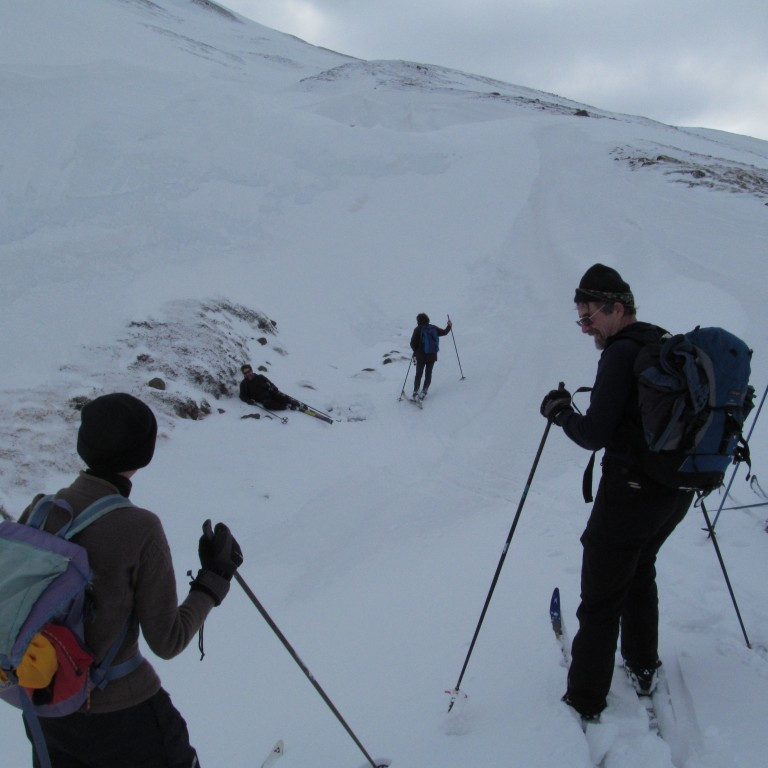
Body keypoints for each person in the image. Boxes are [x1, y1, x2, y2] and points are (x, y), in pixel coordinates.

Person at [18, 392, 243, 767]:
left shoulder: (40, 512)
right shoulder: (139, 528)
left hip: (45, 706)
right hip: (126, 715)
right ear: (142, 454)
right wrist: (214, 580)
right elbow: (168, 641)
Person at [539, 264, 694, 721]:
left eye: (589, 317)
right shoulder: (660, 341)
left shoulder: (621, 353)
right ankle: (643, 663)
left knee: (602, 595)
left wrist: (560, 412)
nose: (585, 327)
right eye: (581, 319)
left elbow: (593, 433)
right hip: (676, 490)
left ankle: (585, 699)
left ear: (617, 307)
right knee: (640, 567)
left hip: (632, 490)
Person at [409, 313, 452, 400]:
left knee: (419, 373)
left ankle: (415, 392)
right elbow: (444, 332)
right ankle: (424, 391)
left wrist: (416, 352)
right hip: (432, 355)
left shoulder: (417, 329)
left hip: (421, 356)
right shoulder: (433, 327)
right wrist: (449, 326)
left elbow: (412, 343)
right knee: (428, 373)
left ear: (418, 321)